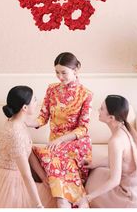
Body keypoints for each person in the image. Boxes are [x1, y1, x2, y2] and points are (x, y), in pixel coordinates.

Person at [26, 52, 93, 208]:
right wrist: (24, 122)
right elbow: (43, 117)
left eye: (64, 72)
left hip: (76, 144)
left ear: (76, 70)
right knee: (27, 149)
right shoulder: (51, 90)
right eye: (57, 72)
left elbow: (83, 128)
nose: (60, 77)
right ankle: (69, 202)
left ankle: (63, 202)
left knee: (56, 159)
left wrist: (61, 140)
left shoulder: (86, 94)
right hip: (55, 146)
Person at [0, 86, 56, 208]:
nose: (37, 102)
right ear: (25, 107)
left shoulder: (19, 122)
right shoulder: (15, 132)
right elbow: (26, 175)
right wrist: (38, 205)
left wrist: (43, 177)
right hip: (12, 182)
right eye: (34, 100)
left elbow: (28, 152)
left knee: (51, 192)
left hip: (18, 175)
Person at [84, 95, 137, 208]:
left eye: (102, 109)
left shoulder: (116, 141)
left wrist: (88, 198)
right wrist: (94, 163)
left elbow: (114, 181)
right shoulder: (125, 128)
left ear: (111, 118)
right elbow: (119, 160)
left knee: (91, 185)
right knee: (97, 172)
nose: (98, 110)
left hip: (132, 198)